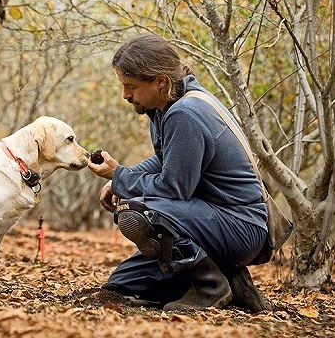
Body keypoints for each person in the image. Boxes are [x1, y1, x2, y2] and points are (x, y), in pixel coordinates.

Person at [88, 33, 273, 312]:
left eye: (132, 86)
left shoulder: (185, 112)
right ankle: (232, 282)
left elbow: (173, 189)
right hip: (209, 221)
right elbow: (166, 161)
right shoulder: (165, 107)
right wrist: (119, 177)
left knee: (140, 210)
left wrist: (121, 178)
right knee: (120, 287)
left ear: (161, 81)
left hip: (240, 225)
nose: (125, 95)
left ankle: (211, 285)